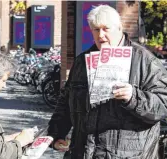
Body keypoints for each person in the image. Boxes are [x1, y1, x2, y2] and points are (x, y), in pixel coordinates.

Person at [47, 5, 167, 158]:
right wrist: (57, 134)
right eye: (96, 30)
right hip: (83, 153)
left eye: (106, 29)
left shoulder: (145, 61)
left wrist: (133, 97)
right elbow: (65, 102)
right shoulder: (82, 62)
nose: (101, 35)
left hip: (129, 154)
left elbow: (163, 106)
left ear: (119, 28)